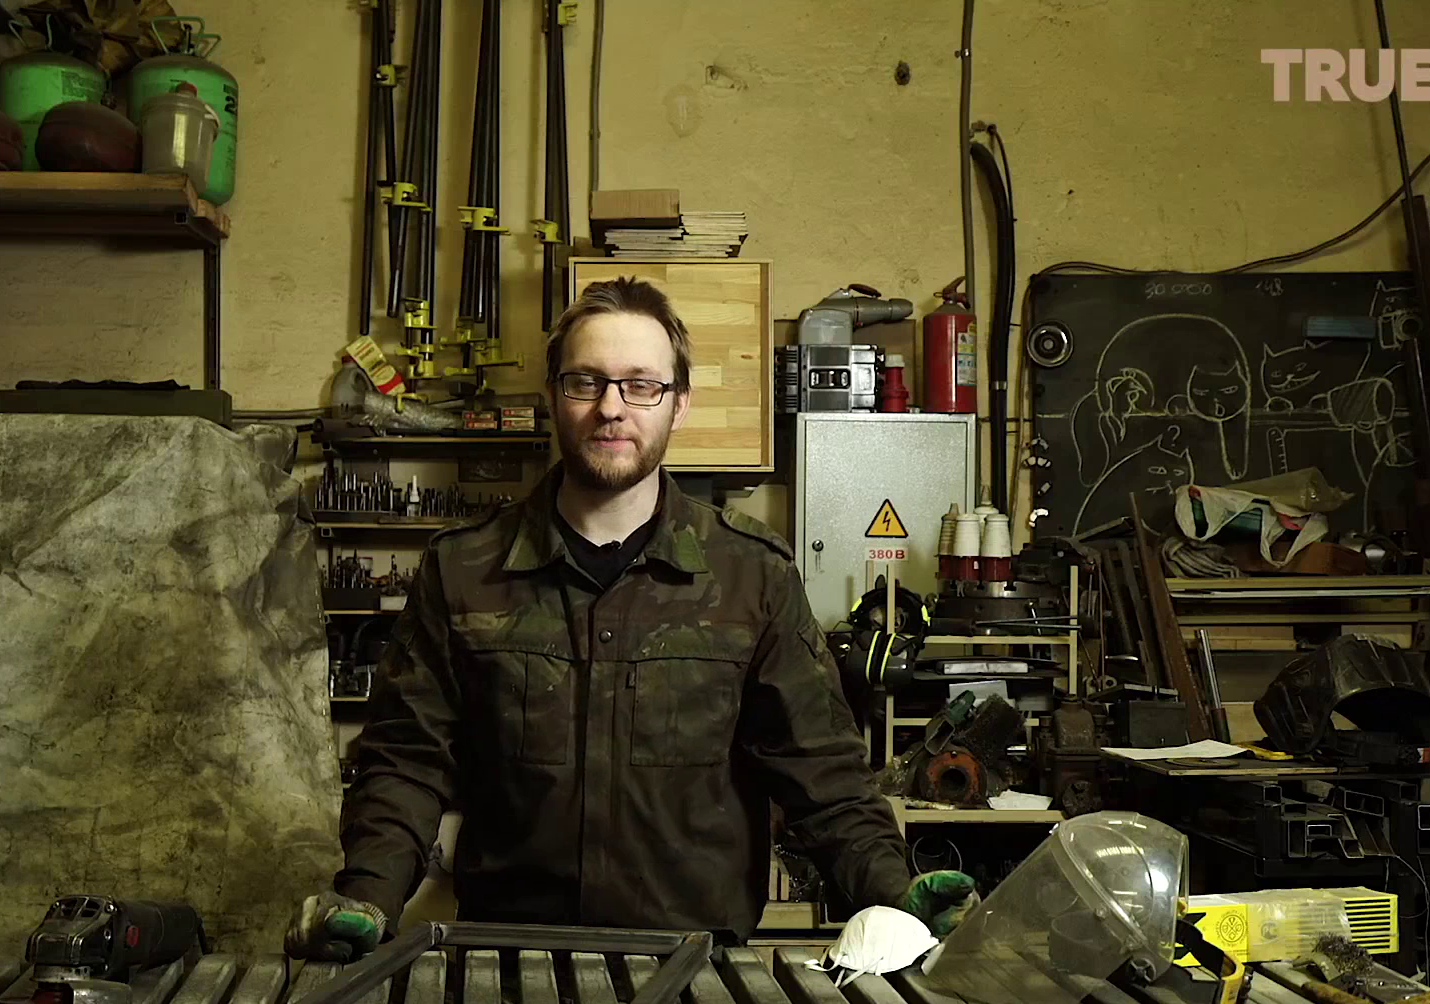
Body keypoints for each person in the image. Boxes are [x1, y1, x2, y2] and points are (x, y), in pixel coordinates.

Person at [288, 277, 974, 961]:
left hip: (693, 968)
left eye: (641, 385)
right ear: (555, 395)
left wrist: (893, 894)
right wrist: (368, 895)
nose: (611, 408)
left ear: (679, 404)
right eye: (585, 382)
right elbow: (406, 764)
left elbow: (824, 777)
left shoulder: (751, 576)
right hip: (508, 961)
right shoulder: (464, 569)